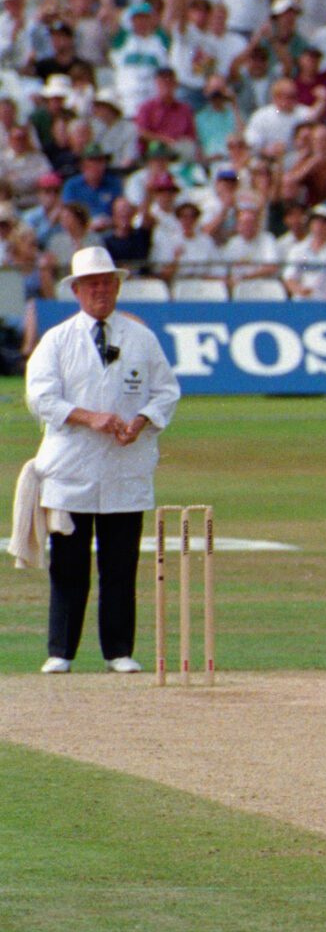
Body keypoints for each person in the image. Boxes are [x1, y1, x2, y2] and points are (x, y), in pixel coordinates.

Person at [19, 246, 180, 673]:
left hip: (126, 466)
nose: (101, 291)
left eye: (107, 282)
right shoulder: (57, 340)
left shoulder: (139, 337)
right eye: (92, 284)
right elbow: (40, 398)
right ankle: (61, 651)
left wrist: (142, 420)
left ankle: (118, 651)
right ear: (76, 290)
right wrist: (91, 417)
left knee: (120, 565)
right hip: (71, 467)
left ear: (117, 286)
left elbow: (166, 390)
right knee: (69, 566)